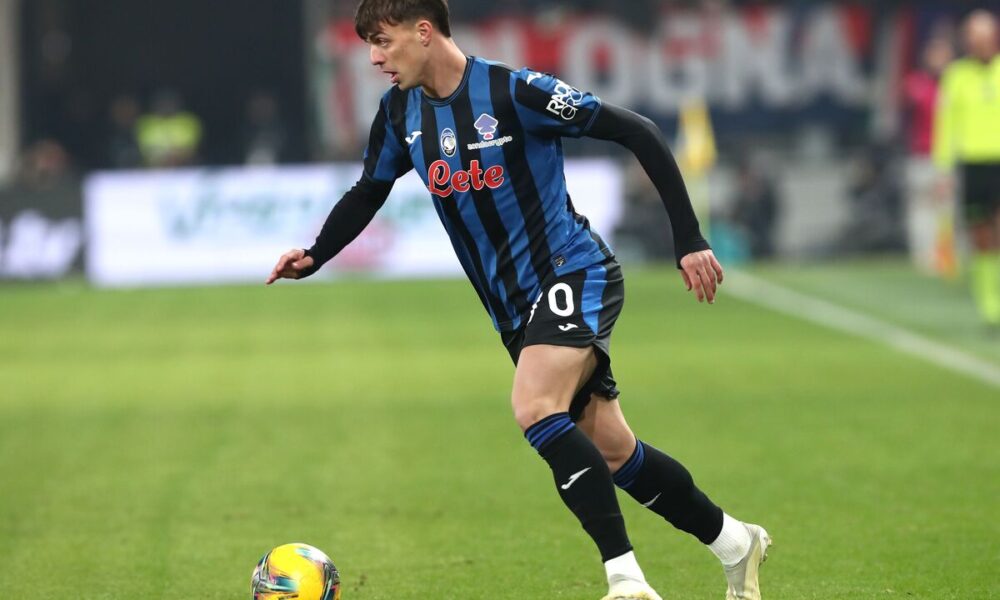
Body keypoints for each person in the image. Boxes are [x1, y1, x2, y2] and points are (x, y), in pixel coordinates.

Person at [267, 1, 770, 598]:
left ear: (423, 32)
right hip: (513, 309)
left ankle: (627, 580)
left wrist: (688, 239)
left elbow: (640, 131)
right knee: (613, 452)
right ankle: (736, 543)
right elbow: (368, 190)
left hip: (574, 271)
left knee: (534, 405)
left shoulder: (516, 92)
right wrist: (316, 254)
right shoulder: (399, 112)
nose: (374, 58)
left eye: (382, 41)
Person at [933, 10, 1000, 330]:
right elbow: (946, 124)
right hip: (973, 165)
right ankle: (989, 303)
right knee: (981, 236)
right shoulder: (957, 76)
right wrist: (943, 169)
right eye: (976, 37)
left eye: (987, 36)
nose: (982, 43)